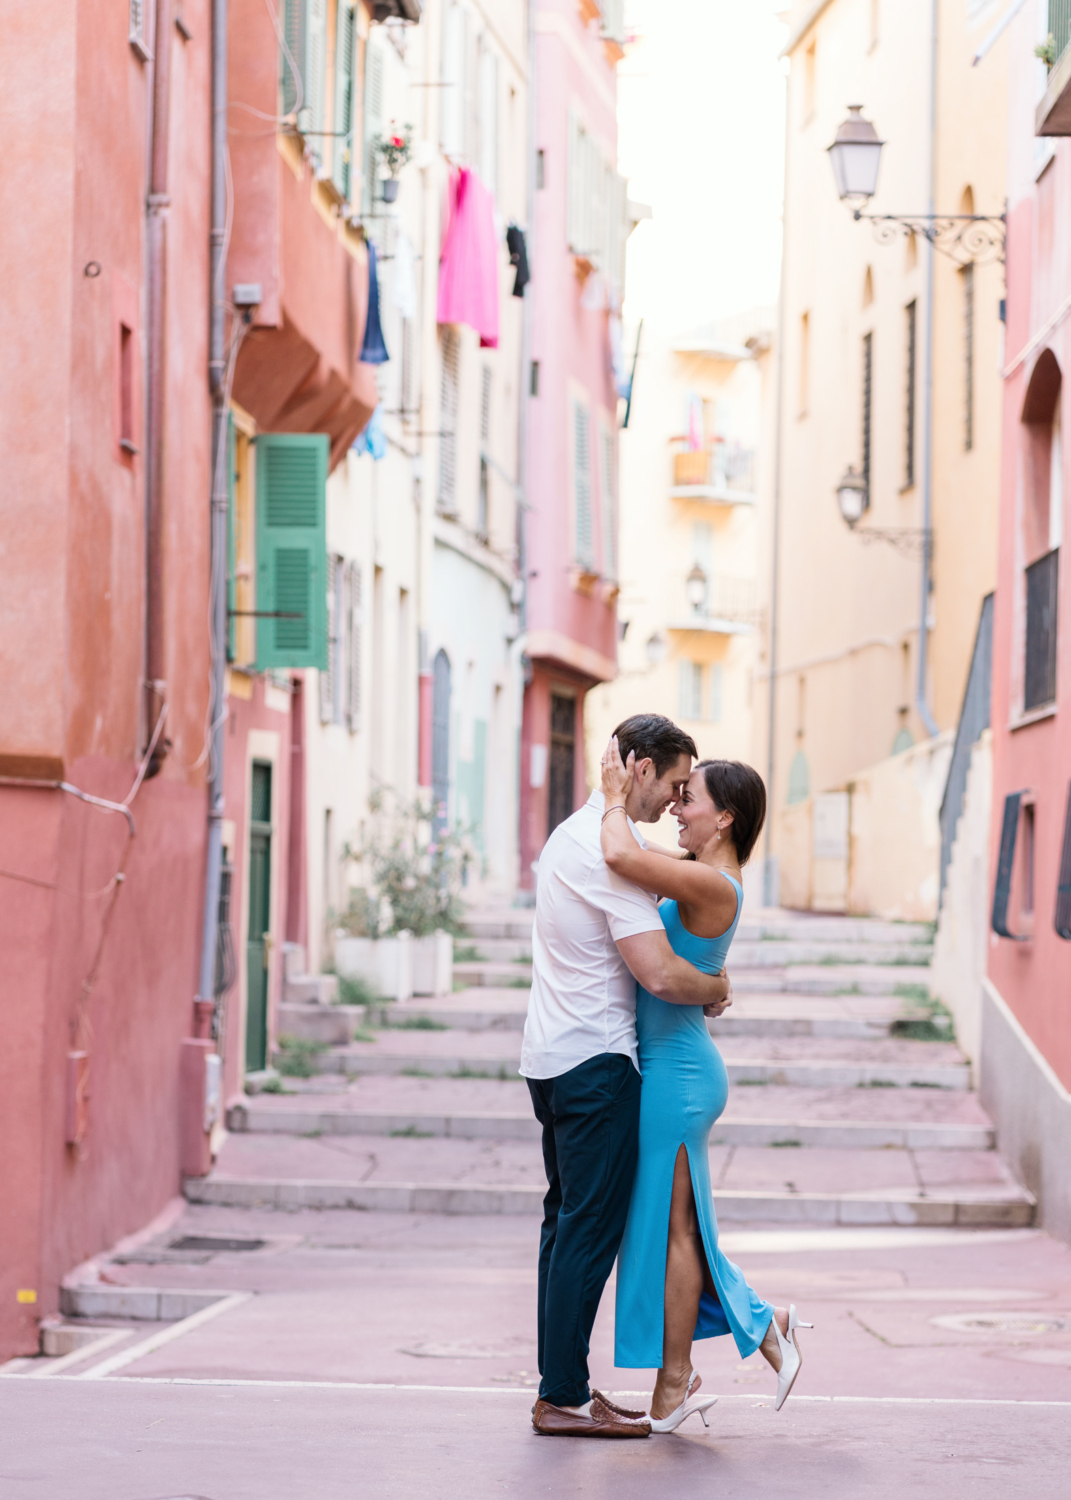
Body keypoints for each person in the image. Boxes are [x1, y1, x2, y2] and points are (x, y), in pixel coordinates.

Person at [521, 714, 734, 1439]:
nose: (674, 802)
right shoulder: (602, 853)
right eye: (674, 783)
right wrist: (713, 982)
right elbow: (658, 974)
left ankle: (567, 1386)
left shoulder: (571, 837)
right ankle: (561, 1399)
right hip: (595, 1064)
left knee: (565, 1228)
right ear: (638, 768)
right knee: (587, 1232)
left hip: (552, 1057)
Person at [602, 737, 812, 1431]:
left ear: (723, 818)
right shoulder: (698, 874)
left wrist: (610, 796)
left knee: (676, 1233)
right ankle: (761, 1326)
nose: (675, 805)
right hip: (674, 1069)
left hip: (680, 1077)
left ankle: (675, 1381)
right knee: (677, 1230)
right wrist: (716, 982)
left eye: (687, 797)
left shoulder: (714, 883)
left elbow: (620, 856)